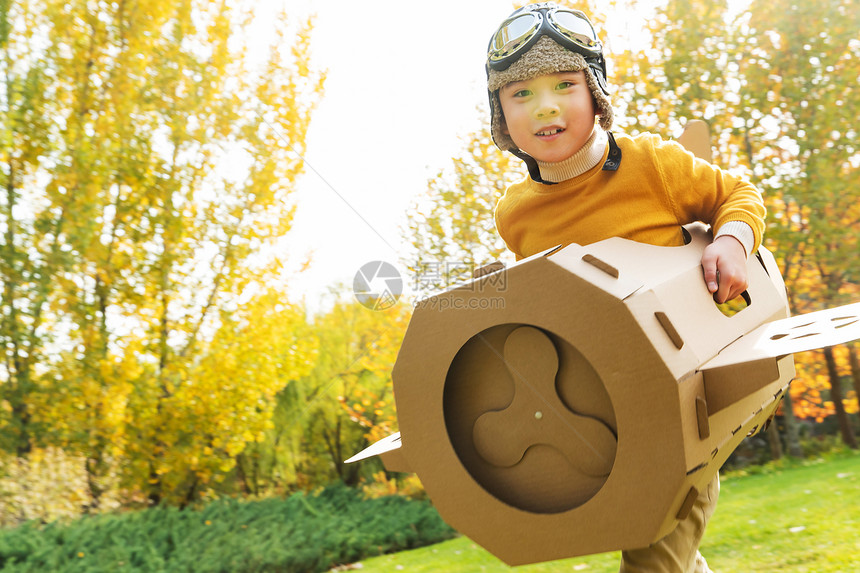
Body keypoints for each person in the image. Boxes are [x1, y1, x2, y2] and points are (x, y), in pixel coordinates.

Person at [485, 3, 766, 572]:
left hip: (687, 406)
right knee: (661, 550)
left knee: (652, 557)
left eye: (565, 85)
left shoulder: (652, 164)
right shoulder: (514, 213)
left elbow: (738, 194)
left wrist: (732, 241)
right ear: (501, 118)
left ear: (596, 94)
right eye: (520, 94)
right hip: (603, 413)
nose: (546, 106)